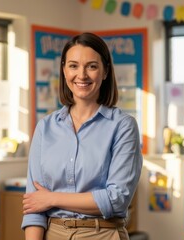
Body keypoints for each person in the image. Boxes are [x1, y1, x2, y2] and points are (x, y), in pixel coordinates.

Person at [21, 32, 143, 240]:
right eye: (73, 65)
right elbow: (34, 206)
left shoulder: (123, 126)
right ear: (64, 70)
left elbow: (116, 199)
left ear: (105, 72)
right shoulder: (45, 127)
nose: (82, 75)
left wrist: (51, 198)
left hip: (103, 233)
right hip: (53, 233)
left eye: (92, 66)